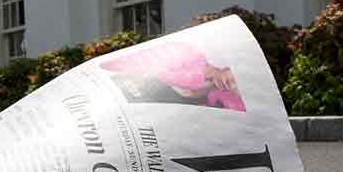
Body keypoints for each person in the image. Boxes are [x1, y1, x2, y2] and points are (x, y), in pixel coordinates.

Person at [99, 37, 245, 111]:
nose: (233, 82)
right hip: (108, 105)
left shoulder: (226, 104)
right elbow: (123, 65)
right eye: (236, 75)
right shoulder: (185, 55)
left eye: (240, 83)